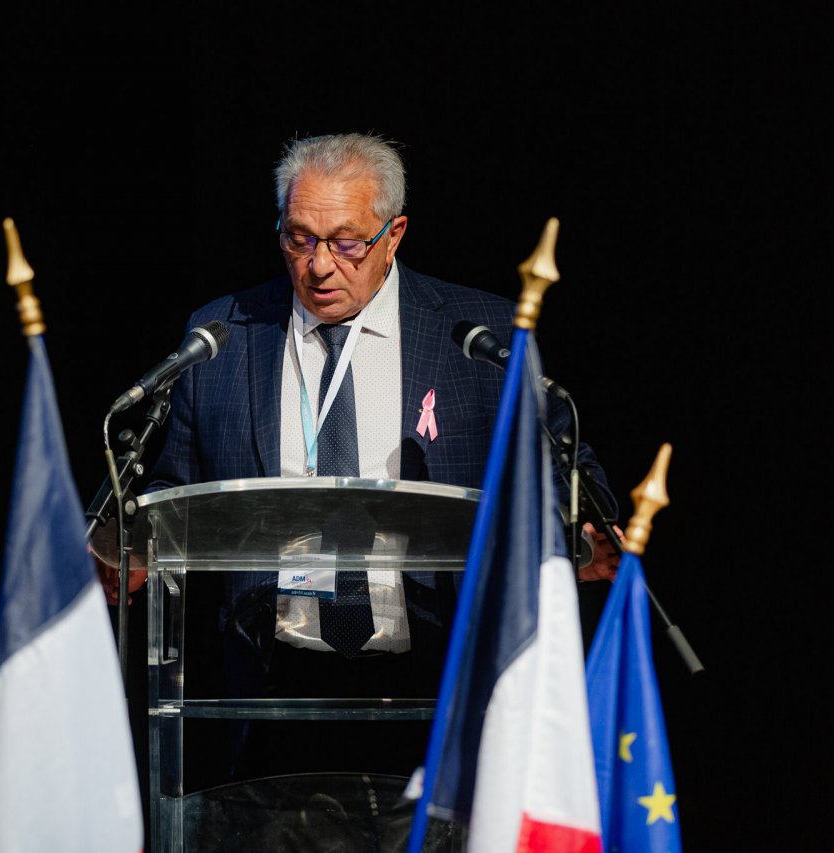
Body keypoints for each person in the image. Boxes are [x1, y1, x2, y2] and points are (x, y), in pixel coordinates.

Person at [99, 132, 621, 782]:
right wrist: (127, 551)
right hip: (270, 692)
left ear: (393, 234)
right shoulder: (224, 337)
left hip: (440, 686)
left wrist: (583, 532)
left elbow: (564, 472)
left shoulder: (477, 336)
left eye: (346, 243)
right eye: (298, 239)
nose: (319, 265)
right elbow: (170, 494)